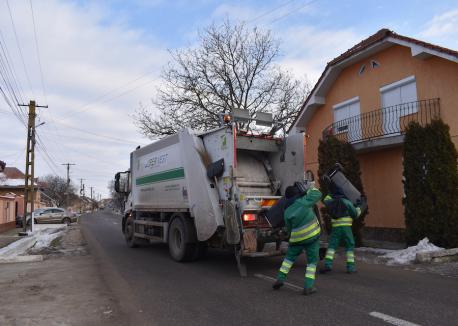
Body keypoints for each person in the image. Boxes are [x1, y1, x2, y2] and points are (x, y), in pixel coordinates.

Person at [272, 183, 322, 295]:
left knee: (288, 259)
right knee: (312, 262)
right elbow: (318, 194)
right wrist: (308, 188)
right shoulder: (303, 201)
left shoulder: (287, 212)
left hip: (296, 240)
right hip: (312, 237)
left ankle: (280, 278)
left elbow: (289, 230)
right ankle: (308, 286)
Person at [320, 183, 361, 274]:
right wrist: (359, 207)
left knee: (332, 246)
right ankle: (350, 267)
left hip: (335, 228)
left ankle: (328, 265)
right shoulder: (347, 202)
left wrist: (331, 191)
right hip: (346, 228)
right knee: (349, 245)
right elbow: (355, 214)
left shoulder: (330, 202)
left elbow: (326, 199)